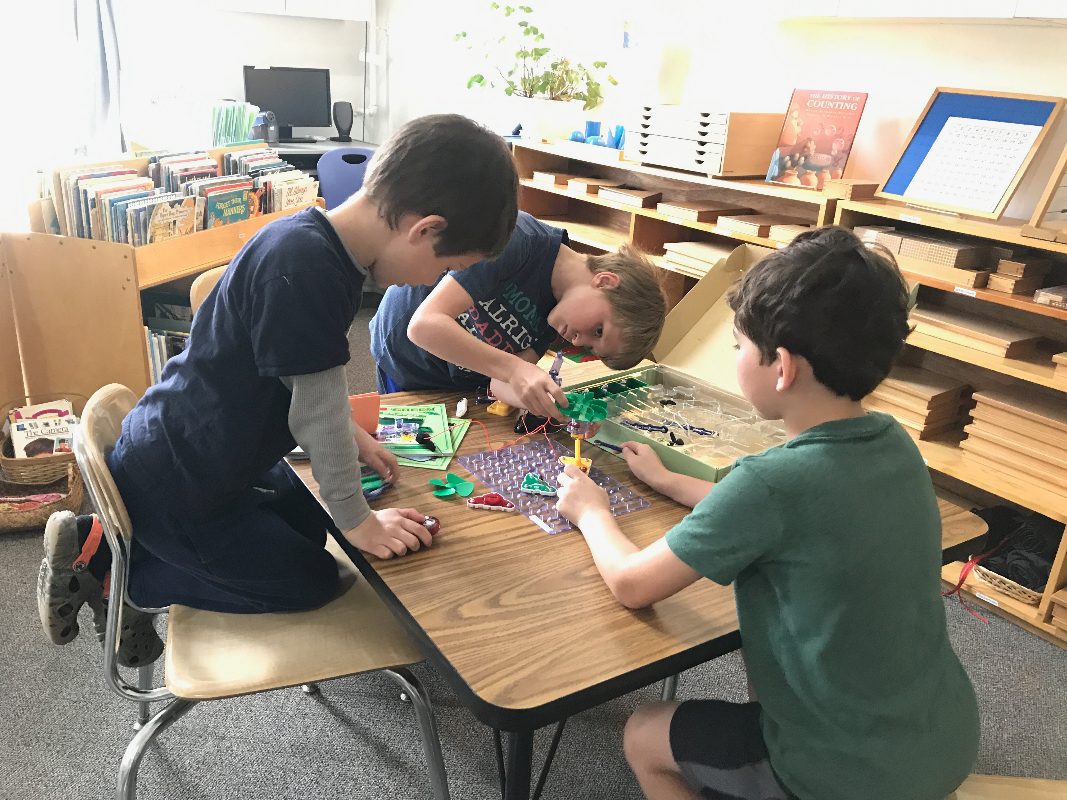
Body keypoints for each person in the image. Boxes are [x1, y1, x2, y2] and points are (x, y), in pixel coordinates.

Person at [37, 113, 519, 666]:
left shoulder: (313, 244)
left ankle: (107, 541)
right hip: (181, 490)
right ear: (425, 229)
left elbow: (306, 384)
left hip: (189, 454)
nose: (431, 281)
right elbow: (316, 414)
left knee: (308, 521)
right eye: (447, 265)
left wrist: (352, 439)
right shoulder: (309, 271)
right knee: (311, 579)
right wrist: (360, 523)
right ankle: (123, 582)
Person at [554, 226, 980, 800]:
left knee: (643, 733)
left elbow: (632, 584)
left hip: (841, 771)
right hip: (942, 739)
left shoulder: (769, 482)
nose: (734, 358)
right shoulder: (892, 441)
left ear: (780, 367)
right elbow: (791, 516)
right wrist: (671, 481)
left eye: (737, 347)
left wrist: (591, 511)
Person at [370, 211, 668, 421]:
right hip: (408, 360)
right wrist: (514, 370)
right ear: (605, 281)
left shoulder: (557, 317)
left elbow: (498, 382)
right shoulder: (517, 240)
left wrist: (553, 406)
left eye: (591, 346)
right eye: (599, 330)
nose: (579, 341)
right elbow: (423, 326)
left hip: (456, 382)